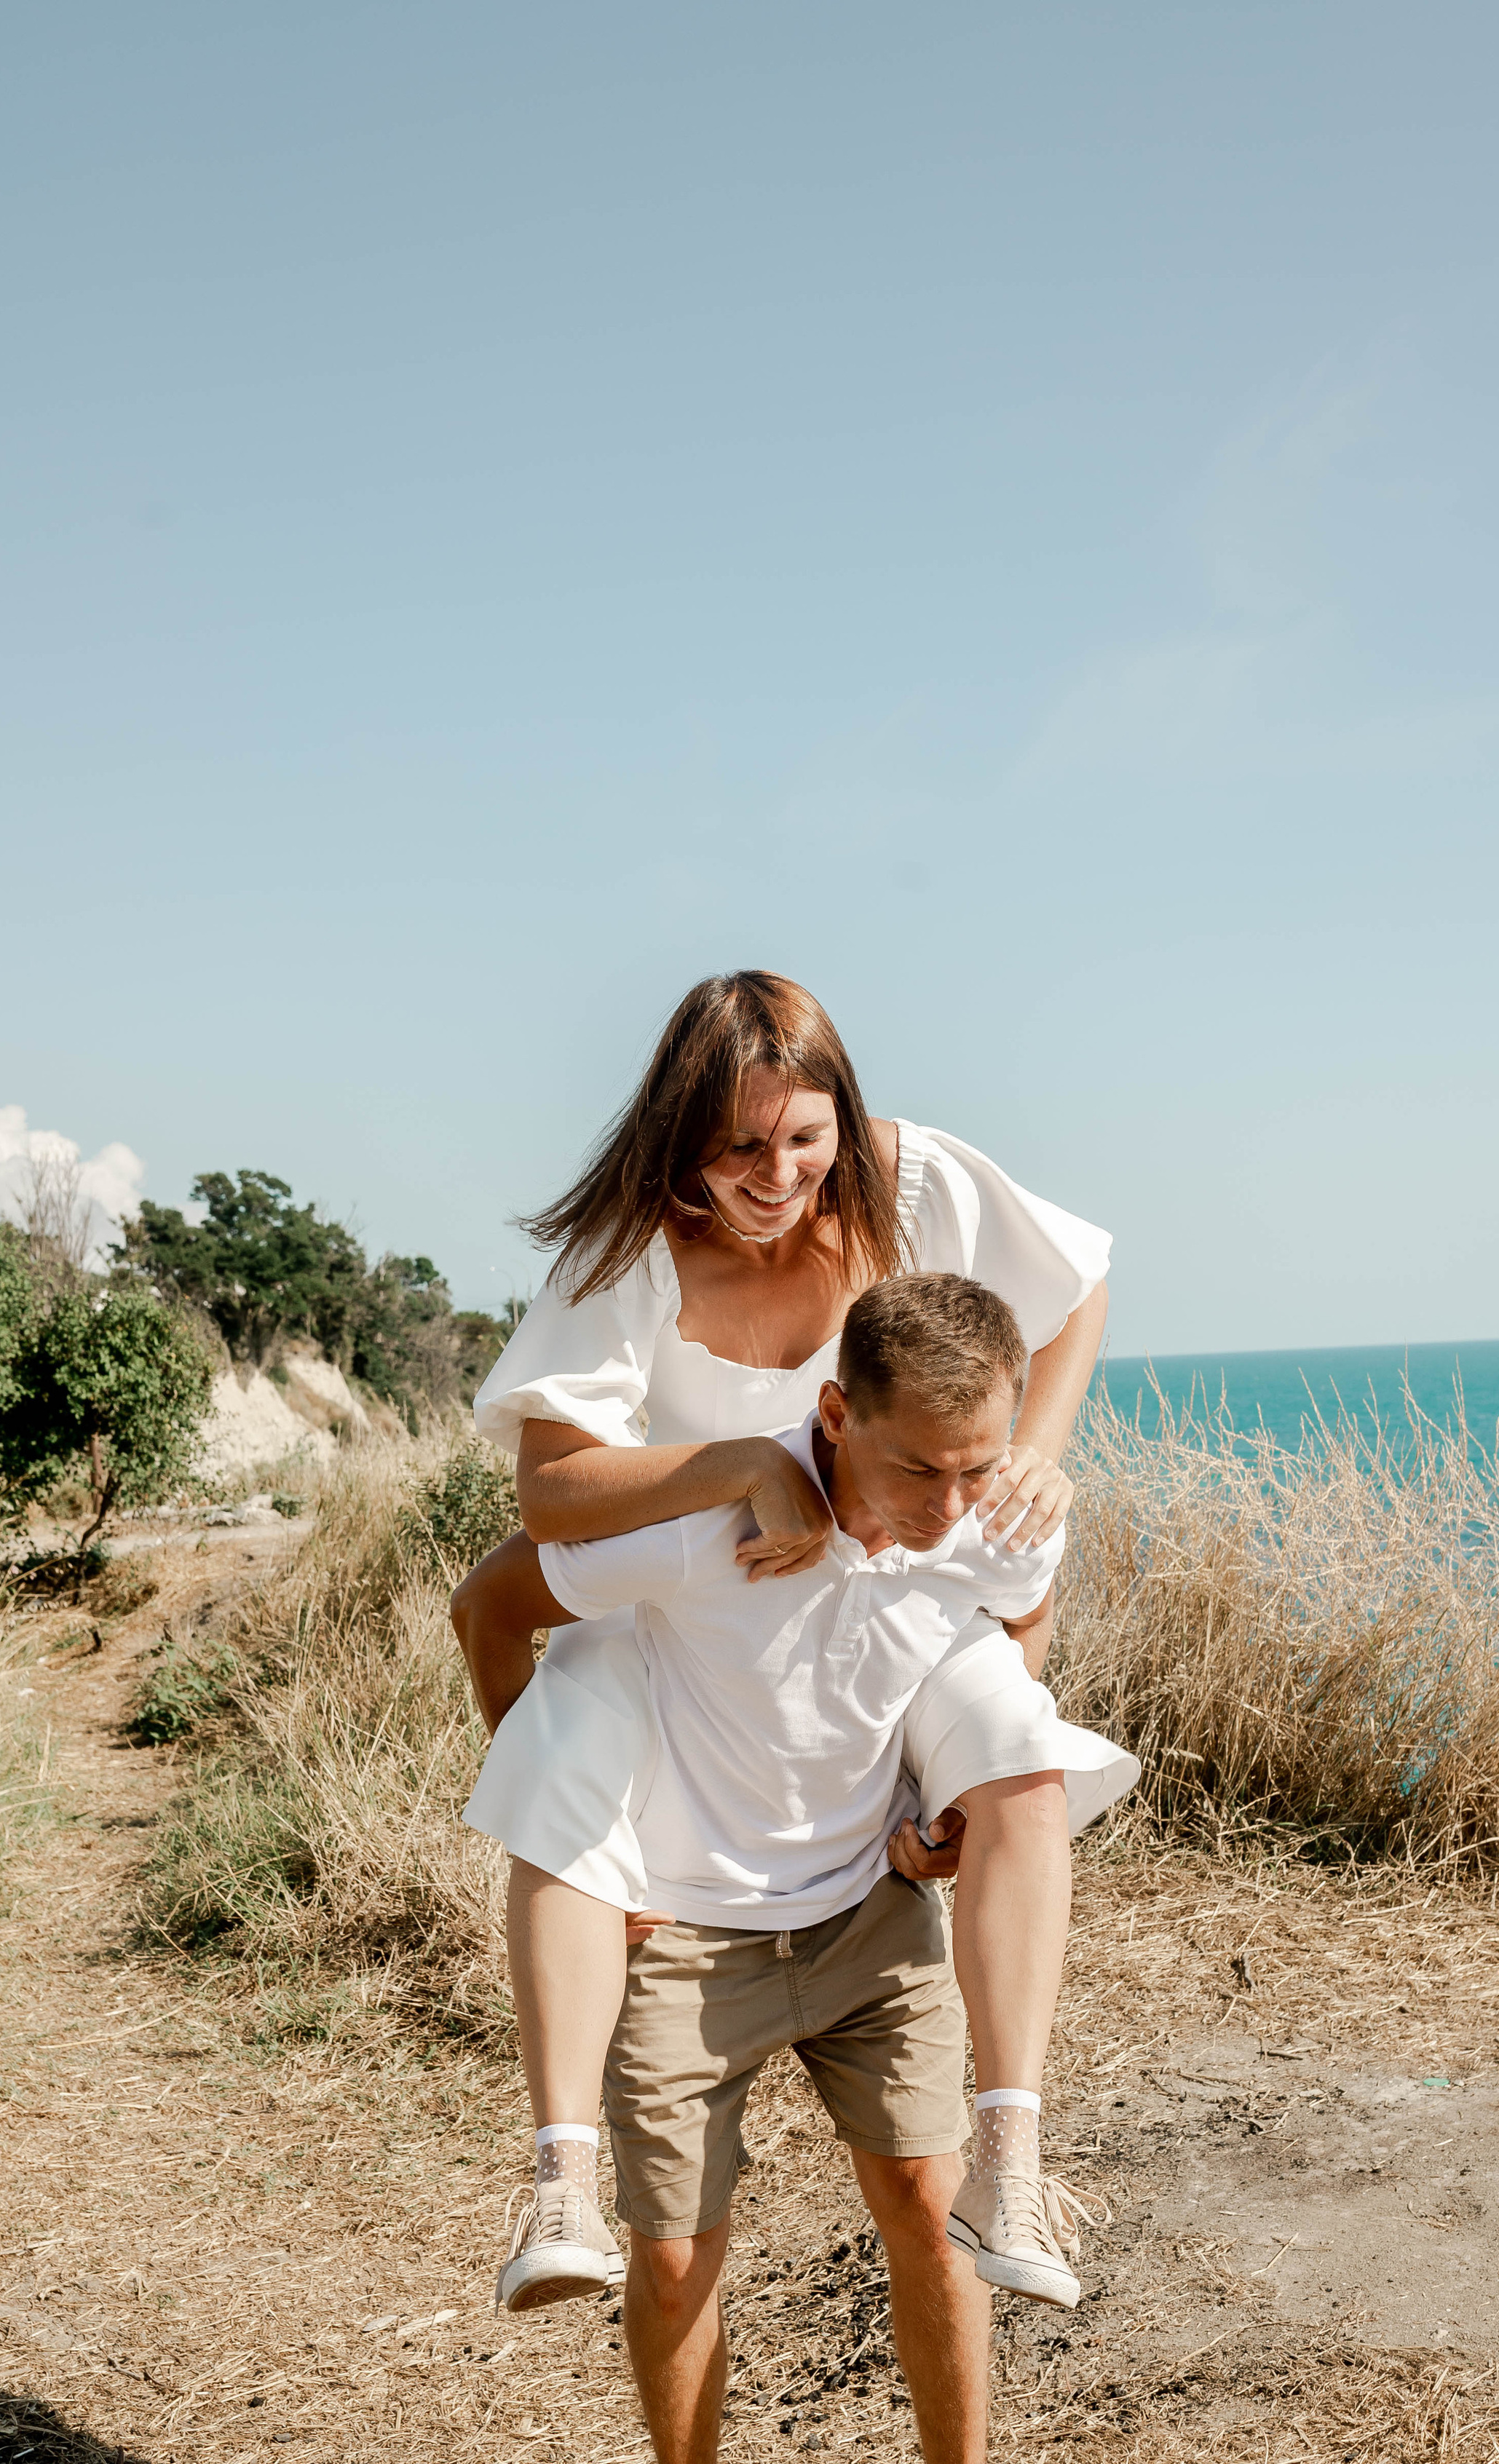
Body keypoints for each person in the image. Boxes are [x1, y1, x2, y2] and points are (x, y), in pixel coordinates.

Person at [459, 1275, 1138, 2464]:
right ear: (833, 1416)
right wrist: (575, 1814)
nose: (953, 1506)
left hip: (867, 1923)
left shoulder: (1000, 1511)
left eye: (978, 1466)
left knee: (932, 2213)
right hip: (688, 1938)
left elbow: (1012, 1628)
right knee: (671, 2254)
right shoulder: (707, 1525)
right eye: (916, 1468)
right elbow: (490, 1604)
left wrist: (936, 1801)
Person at [465, 970, 1120, 2289]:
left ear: (844, 1120)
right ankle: (555, 2193)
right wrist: (744, 1469)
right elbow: (545, 1501)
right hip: (707, 1586)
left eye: (805, 1140)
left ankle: (1015, 2167)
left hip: (890, 1592)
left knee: (1016, 1743)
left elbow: (1081, 1284)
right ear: (680, 1136)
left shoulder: (912, 1182)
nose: (778, 1177)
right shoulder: (628, 1255)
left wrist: (1029, 1458)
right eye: (741, 1148)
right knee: (577, 1738)